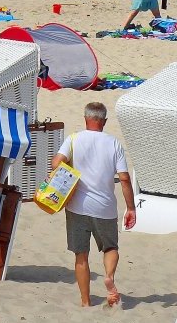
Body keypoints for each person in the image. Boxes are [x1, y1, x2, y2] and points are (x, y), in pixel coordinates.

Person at [51, 102, 136, 307]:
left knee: (81, 255)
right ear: (104, 121)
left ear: (85, 119)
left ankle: (85, 301)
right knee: (110, 247)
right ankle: (109, 276)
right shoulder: (114, 143)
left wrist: (72, 168)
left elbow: (55, 163)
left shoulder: (74, 139)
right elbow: (124, 178)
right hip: (104, 207)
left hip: (76, 206)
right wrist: (131, 207)